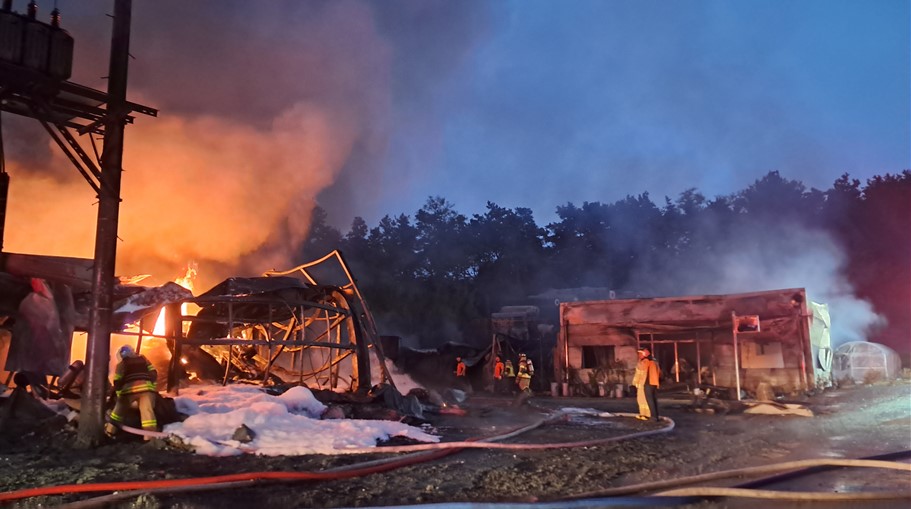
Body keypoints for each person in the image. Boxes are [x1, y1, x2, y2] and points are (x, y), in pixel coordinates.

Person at [106, 344, 159, 440]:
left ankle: (109, 432)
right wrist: (152, 389)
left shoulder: (121, 364)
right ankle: (150, 437)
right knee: (148, 414)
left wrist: (119, 396)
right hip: (147, 390)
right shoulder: (143, 359)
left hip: (129, 391)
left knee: (117, 413)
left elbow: (117, 382)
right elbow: (154, 373)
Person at [632, 347, 660, 421]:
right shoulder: (654, 361)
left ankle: (652, 417)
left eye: (640, 354)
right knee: (653, 400)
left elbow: (639, 372)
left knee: (649, 400)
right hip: (654, 383)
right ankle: (654, 416)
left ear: (645, 354)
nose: (639, 355)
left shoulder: (645, 361)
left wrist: (635, 383)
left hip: (647, 383)